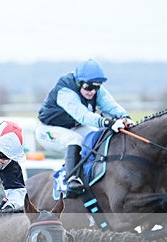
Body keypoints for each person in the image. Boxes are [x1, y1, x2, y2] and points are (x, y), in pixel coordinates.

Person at [36, 58, 134, 195]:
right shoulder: (65, 91)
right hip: (48, 130)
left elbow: (110, 105)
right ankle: (71, 179)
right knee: (74, 140)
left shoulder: (93, 88)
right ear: (79, 82)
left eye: (96, 87)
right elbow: (83, 116)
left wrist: (125, 118)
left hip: (74, 126)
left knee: (98, 137)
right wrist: (107, 122)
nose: (92, 91)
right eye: (88, 87)